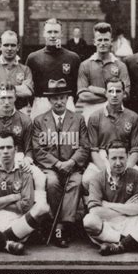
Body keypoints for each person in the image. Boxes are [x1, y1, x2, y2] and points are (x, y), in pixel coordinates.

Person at [82, 140, 138, 256]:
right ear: (107, 159)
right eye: (114, 158)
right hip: (109, 224)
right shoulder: (97, 178)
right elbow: (95, 210)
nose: (118, 163)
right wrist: (128, 209)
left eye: (121, 158)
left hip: (132, 222)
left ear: (127, 157)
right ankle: (134, 242)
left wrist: (109, 205)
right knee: (89, 220)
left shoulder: (136, 175)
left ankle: (120, 246)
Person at [32, 79, 90, 247]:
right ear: (49, 101)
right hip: (50, 167)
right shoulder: (39, 121)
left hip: (72, 166)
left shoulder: (78, 119)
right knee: (51, 182)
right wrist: (57, 164)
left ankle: (65, 225)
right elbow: (38, 150)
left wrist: (71, 162)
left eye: (62, 98)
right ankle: (54, 223)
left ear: (67, 99)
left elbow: (84, 146)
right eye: (55, 99)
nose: (59, 102)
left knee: (76, 182)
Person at [82, 78, 138, 192]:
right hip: (103, 157)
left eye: (118, 91)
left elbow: (136, 149)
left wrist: (125, 169)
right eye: (111, 91)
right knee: (87, 180)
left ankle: (130, 206)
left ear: (124, 94)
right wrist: (107, 171)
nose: (114, 95)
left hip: (125, 158)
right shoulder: (95, 117)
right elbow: (93, 150)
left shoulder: (133, 117)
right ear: (105, 93)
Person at [26, 18, 80, 120]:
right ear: (44, 34)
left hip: (65, 102)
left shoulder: (73, 57)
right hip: (41, 103)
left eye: (56, 32)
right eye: (49, 32)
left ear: (61, 34)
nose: (53, 35)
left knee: (66, 134)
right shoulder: (33, 58)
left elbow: (76, 86)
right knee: (41, 135)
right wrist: (38, 102)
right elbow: (29, 85)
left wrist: (69, 101)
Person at [76, 22, 130, 124]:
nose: (103, 43)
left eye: (106, 40)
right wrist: (109, 94)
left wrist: (97, 90)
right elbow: (83, 95)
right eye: (99, 40)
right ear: (94, 42)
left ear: (111, 42)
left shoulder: (120, 65)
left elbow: (125, 94)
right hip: (90, 114)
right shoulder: (85, 65)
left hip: (114, 114)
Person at [0, 30, 34, 115]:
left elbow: (28, 91)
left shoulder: (25, 69)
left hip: (21, 112)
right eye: (6, 45)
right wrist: (18, 89)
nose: (9, 48)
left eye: (13, 45)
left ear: (18, 47)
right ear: (0, 46)